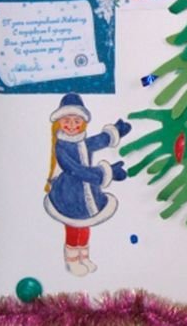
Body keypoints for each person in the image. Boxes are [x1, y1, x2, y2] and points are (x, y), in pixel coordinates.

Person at [43, 93, 132, 276]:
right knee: (73, 226)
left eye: (76, 121)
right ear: (59, 121)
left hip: (86, 194)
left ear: (83, 122)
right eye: (67, 120)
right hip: (68, 196)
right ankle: (72, 260)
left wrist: (114, 132)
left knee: (85, 226)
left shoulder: (81, 142)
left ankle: (83, 256)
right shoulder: (61, 147)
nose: (72, 125)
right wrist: (107, 173)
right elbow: (76, 170)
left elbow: (96, 142)